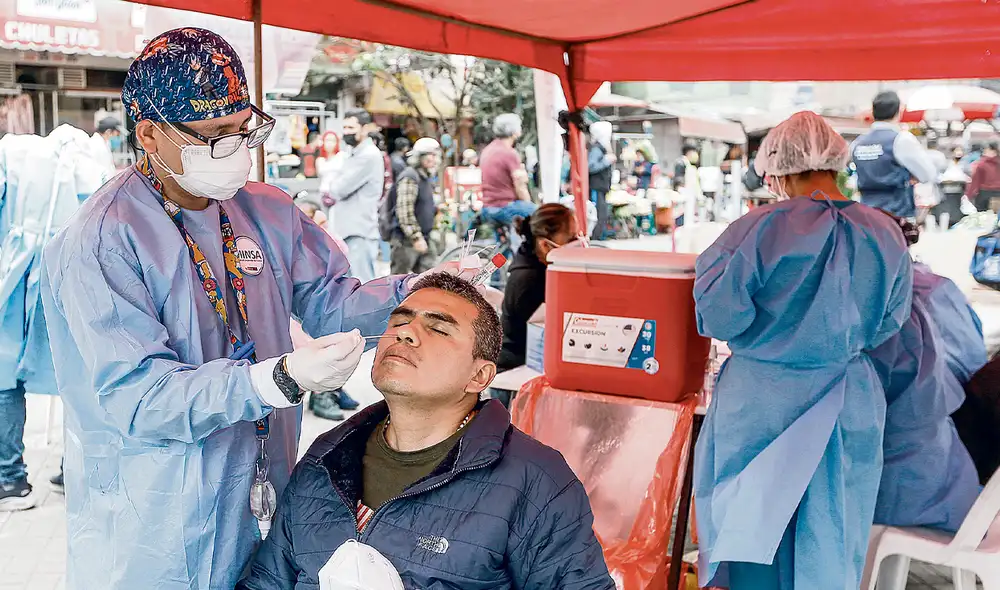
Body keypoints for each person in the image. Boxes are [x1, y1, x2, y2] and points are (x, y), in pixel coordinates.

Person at [38, 29, 470, 590]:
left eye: (244, 129)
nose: (238, 150)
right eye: (215, 136)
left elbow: (333, 302)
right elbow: (139, 397)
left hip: (262, 482)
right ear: (149, 133)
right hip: (154, 510)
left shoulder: (264, 210)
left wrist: (418, 289)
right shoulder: (104, 239)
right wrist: (276, 379)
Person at [238, 273, 615, 590]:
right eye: (399, 321)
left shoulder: (536, 482)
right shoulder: (327, 456)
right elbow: (268, 579)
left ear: (479, 376)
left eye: (437, 329)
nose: (406, 334)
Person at [693, 111, 913, 590]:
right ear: (835, 163)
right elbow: (890, 323)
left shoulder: (755, 229)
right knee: (832, 530)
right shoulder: (885, 231)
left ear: (778, 167)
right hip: (846, 399)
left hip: (761, 405)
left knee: (752, 530)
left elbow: (720, 316)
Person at [0, 125, 104, 508]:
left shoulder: (11, 153)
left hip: (16, 274)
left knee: (5, 376)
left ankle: (10, 479)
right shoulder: (88, 156)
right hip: (73, 275)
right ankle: (71, 469)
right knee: (75, 376)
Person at [868, 217, 980, 533]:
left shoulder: (885, 315)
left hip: (904, 486)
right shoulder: (934, 289)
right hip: (950, 465)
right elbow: (973, 359)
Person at [498, 204, 576, 373]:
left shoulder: (536, 263)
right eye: (571, 239)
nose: (578, 243)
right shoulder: (529, 279)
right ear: (545, 245)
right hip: (515, 374)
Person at [851, 91, 937, 218]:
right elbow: (928, 174)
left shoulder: (858, 143)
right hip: (895, 215)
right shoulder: (901, 140)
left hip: (866, 215)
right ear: (898, 112)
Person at [329, 108, 384, 283]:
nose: (346, 133)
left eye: (351, 128)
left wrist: (334, 179)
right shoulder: (352, 154)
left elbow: (337, 189)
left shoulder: (368, 155)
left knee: (363, 287)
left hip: (359, 231)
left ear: (365, 128)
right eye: (344, 128)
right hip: (349, 230)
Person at [385, 137, 441, 275]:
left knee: (429, 282)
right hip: (406, 241)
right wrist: (416, 237)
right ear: (419, 157)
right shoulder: (410, 177)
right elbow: (404, 211)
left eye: (435, 155)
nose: (433, 159)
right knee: (398, 284)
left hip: (424, 237)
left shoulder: (424, 177)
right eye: (430, 155)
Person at [480, 113, 536, 248]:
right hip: (504, 206)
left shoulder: (488, 150)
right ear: (515, 131)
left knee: (500, 247)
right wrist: (528, 204)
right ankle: (524, 257)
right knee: (540, 215)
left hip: (488, 207)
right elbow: (520, 186)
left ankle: (498, 267)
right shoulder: (509, 153)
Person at [587, 121, 615, 241]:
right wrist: (606, 161)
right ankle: (594, 240)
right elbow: (590, 167)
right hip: (596, 188)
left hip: (600, 188)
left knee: (601, 215)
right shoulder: (597, 150)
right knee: (598, 216)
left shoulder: (600, 149)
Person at [672, 144, 702, 227]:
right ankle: (679, 227)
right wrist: (680, 188)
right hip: (682, 190)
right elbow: (678, 178)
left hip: (688, 191)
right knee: (681, 211)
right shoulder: (681, 162)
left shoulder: (688, 164)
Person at [967, 141, 1000, 212]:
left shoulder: (981, 164)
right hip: (998, 194)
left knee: (983, 216)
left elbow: (976, 181)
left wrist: (969, 195)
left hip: (984, 194)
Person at [89, 116, 122, 184]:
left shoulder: (105, 143)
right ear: (108, 132)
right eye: (117, 134)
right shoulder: (96, 145)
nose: (118, 136)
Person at [316, 130, 344, 211]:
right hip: (324, 192)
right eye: (327, 140)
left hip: (338, 194)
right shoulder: (320, 160)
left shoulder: (342, 156)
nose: (330, 144)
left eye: (332, 140)